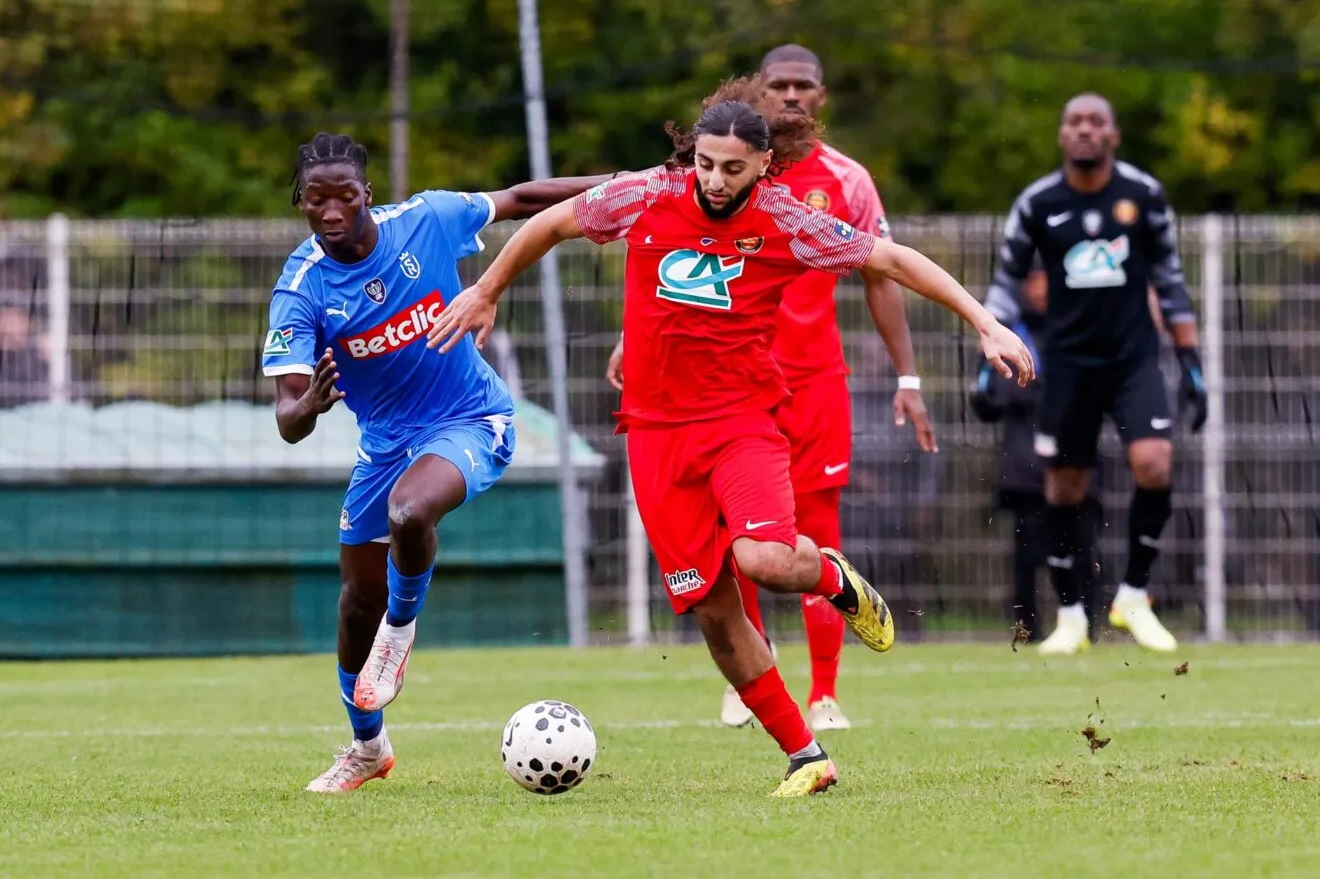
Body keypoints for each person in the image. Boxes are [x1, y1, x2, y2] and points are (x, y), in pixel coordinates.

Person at [428, 77, 1034, 796]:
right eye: (707, 164)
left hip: (741, 423)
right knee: (715, 614)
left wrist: (986, 323)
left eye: (734, 168)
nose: (716, 181)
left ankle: (829, 576)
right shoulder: (645, 195)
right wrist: (487, 288)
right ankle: (807, 756)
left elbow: (892, 261)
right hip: (655, 434)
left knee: (766, 560)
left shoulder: (786, 220)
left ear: (764, 165)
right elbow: (550, 224)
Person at [262, 132, 611, 793]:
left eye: (344, 196)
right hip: (384, 444)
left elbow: (522, 199)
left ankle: (400, 630)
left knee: (410, 511)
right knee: (355, 605)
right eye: (315, 200)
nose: (331, 212)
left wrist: (627, 182)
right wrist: (309, 403)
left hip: (471, 418)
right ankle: (368, 748)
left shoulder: (426, 218)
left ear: (367, 194)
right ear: (300, 203)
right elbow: (287, 421)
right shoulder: (301, 287)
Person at [604, 45, 934, 732]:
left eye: (801, 85)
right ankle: (755, 675)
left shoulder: (843, 181)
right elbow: (670, 261)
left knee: (805, 533)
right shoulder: (713, 172)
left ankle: (825, 693)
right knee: (733, 544)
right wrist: (633, 341)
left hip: (810, 382)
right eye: (777, 84)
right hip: (716, 392)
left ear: (820, 96)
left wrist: (908, 374)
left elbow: (884, 271)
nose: (789, 95)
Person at [983, 93, 1207, 655]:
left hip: (1133, 360)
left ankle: (1132, 595)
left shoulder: (1143, 194)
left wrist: (1191, 361)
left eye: (1096, 122)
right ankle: (1071, 617)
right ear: (1062, 134)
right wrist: (986, 357)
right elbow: (1006, 283)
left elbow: (1170, 279)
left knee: (1154, 462)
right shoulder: (1037, 203)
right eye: (1075, 122)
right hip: (1067, 365)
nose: (1085, 130)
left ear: (1113, 134)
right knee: (1064, 485)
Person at [970, 263, 1104, 642]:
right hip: (1025, 467)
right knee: (1028, 553)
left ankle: (1087, 627)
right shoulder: (1010, 333)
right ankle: (1028, 630)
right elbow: (989, 399)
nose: (1042, 289)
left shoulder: (1079, 327)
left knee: (1083, 546)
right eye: (1035, 281)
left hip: (1074, 457)